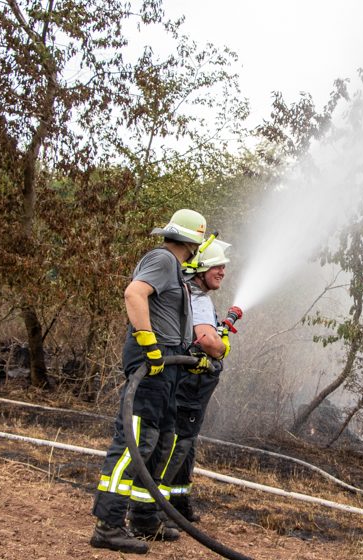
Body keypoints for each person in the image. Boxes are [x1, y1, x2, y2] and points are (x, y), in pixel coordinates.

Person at [90, 208, 208, 555]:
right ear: (195, 241)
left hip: (167, 366)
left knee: (159, 442)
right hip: (152, 365)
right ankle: (108, 525)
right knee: (134, 444)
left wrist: (188, 355)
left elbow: (168, 315)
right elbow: (134, 294)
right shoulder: (161, 259)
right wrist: (148, 342)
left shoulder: (175, 269)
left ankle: (144, 517)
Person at [160, 240, 234, 524]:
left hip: (185, 382)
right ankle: (161, 507)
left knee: (186, 443)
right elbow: (206, 340)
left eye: (224, 266)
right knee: (180, 441)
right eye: (217, 266)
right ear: (201, 268)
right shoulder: (199, 298)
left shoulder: (187, 291)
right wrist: (222, 346)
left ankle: (178, 503)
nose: (223, 271)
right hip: (191, 384)